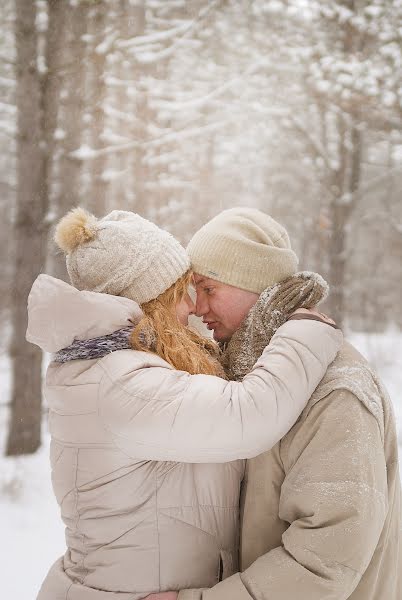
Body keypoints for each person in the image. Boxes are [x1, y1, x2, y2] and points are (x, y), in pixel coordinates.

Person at [27, 208, 341, 600]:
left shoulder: (111, 368)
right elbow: (249, 414)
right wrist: (304, 331)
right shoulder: (122, 383)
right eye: (182, 294)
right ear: (151, 302)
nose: (191, 308)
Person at [146, 207, 401, 600]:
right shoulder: (251, 379)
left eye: (210, 289)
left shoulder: (334, 393)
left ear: (257, 287)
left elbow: (325, 559)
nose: (197, 307)